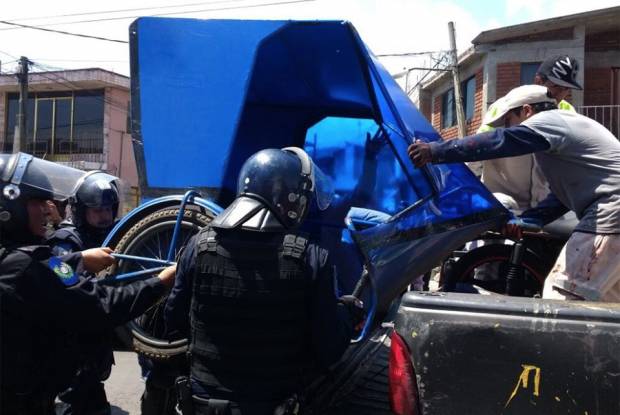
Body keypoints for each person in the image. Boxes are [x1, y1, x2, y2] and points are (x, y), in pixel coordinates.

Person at [164, 147, 364, 414]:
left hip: (203, 405)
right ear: (288, 198)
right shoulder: (311, 258)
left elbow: (174, 320)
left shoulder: (198, 246)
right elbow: (328, 349)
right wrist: (347, 315)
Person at [0, 152, 176, 414]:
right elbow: (99, 303)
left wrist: (79, 259)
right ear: (9, 206)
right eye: (36, 202)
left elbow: (51, 270)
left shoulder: (17, 258)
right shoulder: (28, 265)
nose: (47, 210)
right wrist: (160, 282)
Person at [408, 84, 620, 302]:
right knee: (608, 307)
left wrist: (435, 151)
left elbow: (501, 141)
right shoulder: (571, 127)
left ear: (527, 111)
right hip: (612, 210)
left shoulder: (549, 121)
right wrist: (530, 220)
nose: (509, 128)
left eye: (509, 121)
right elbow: (562, 196)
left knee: (562, 300)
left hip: (610, 211)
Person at [45, 171, 122, 414]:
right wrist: (83, 264)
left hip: (94, 345)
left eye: (109, 209)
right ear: (81, 210)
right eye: (97, 210)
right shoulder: (65, 241)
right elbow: (64, 279)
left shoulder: (110, 237)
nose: (105, 216)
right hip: (70, 348)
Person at [478, 55, 582, 211]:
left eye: (566, 89)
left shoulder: (567, 112)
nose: (560, 94)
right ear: (539, 81)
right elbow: (478, 150)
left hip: (545, 208)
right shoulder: (504, 109)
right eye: (556, 87)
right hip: (505, 205)